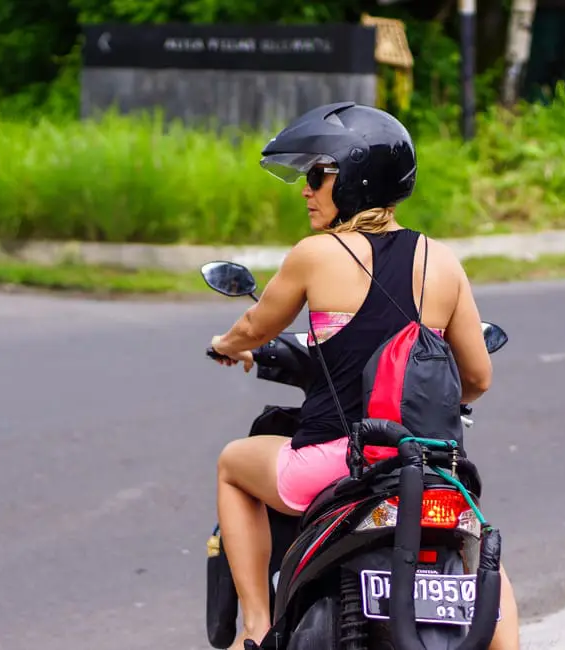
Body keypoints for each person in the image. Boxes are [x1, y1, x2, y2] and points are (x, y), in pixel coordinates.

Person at [208, 101, 520, 650]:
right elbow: (477, 377)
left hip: (334, 464)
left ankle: (255, 624)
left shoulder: (316, 254)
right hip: (426, 472)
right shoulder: (442, 261)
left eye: (316, 175)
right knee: (484, 565)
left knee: (233, 464)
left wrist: (226, 345)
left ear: (352, 178)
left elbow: (258, 325)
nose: (306, 190)